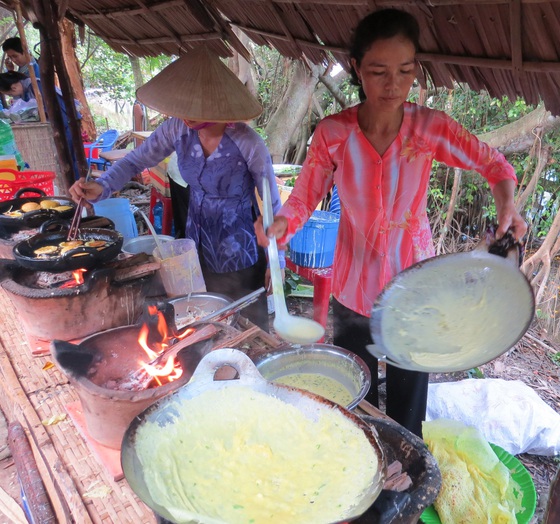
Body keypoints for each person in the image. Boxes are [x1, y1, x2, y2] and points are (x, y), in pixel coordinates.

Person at [255, 9, 527, 436]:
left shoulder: (429, 128)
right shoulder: (333, 133)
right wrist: (281, 227)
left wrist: (507, 207)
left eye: (405, 71)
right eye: (379, 71)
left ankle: (404, 479)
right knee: (354, 396)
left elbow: (495, 167)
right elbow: (305, 196)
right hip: (351, 282)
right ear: (357, 70)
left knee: (408, 403)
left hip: (414, 286)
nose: (393, 85)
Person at [70, 46, 282, 330]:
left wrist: (277, 260)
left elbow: (273, 204)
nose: (186, 114)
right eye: (183, 104)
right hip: (197, 240)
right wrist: (103, 186)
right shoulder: (177, 129)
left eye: (195, 106)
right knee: (204, 315)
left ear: (218, 104)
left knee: (247, 323)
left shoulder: (248, 143)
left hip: (240, 246)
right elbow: (135, 161)